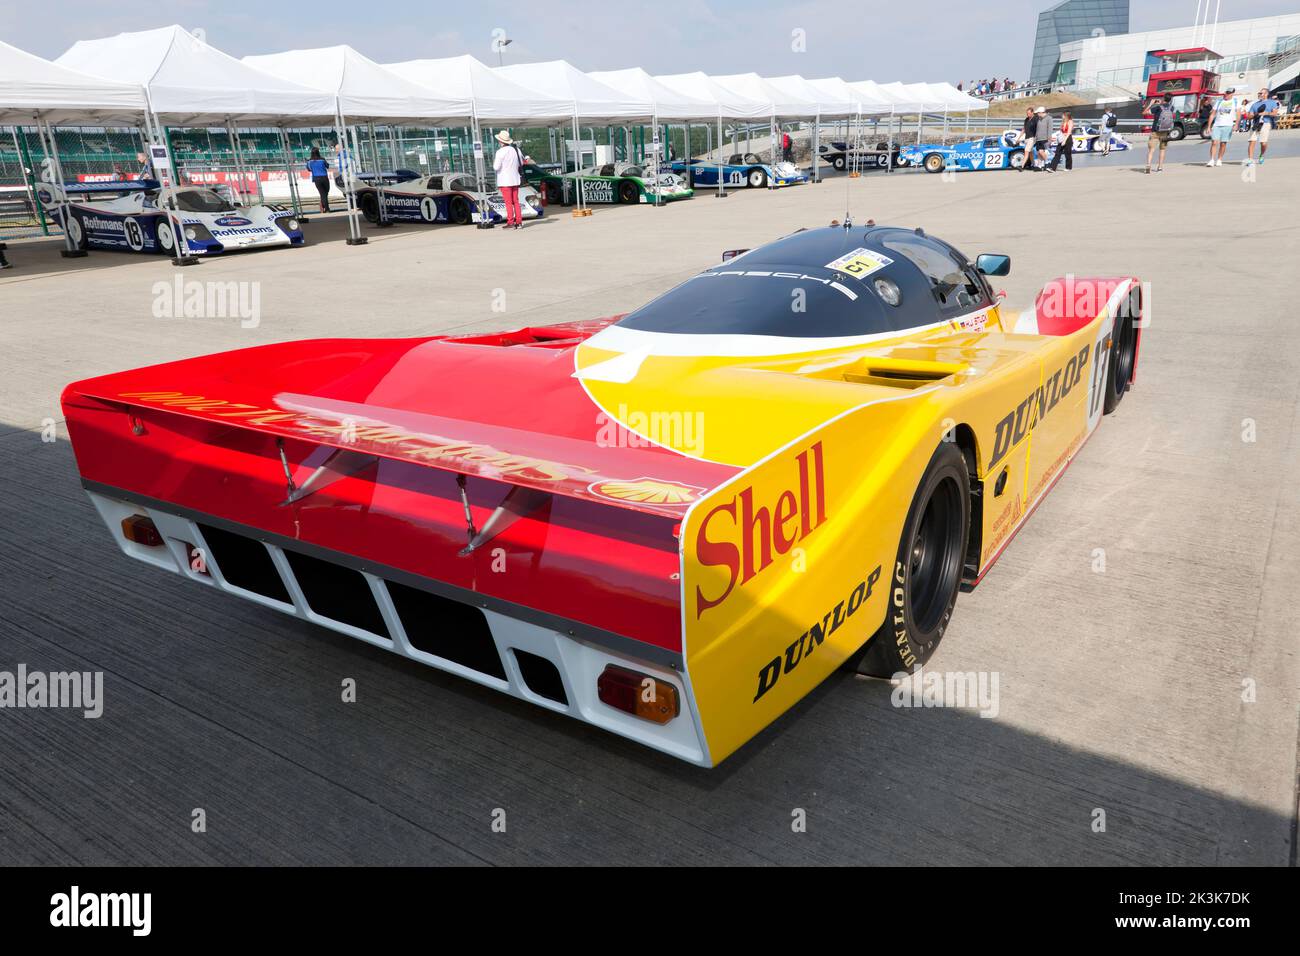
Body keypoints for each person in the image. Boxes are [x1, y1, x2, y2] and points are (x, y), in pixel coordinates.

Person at [491, 129, 527, 230]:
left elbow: (496, 167)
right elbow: (522, 163)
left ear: (501, 141)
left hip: (504, 180)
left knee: (508, 202)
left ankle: (510, 222)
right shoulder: (516, 150)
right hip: (515, 179)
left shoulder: (500, 152)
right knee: (516, 201)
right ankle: (519, 222)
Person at [1245, 87, 1280, 166]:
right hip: (1255, 124)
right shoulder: (1254, 104)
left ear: (1266, 94)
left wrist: (1265, 113)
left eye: (1261, 93)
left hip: (1266, 123)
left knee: (1263, 143)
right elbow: (1249, 116)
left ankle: (1261, 155)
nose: (1259, 94)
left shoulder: (1272, 102)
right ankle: (1250, 160)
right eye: (1259, 93)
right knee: (1252, 141)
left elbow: (1274, 113)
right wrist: (1255, 115)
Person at [1206, 89, 1237, 166]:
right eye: (1225, 93)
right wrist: (1209, 126)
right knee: (1214, 142)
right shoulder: (1219, 101)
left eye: (1228, 93)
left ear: (1232, 94)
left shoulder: (1235, 102)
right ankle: (1212, 160)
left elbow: (1238, 114)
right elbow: (1212, 114)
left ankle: (1219, 159)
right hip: (1217, 125)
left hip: (1228, 125)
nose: (1226, 94)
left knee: (1223, 143)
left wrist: (1236, 124)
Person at [1145, 93, 1174, 173]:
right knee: (1162, 150)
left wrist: (1151, 104)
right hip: (1165, 131)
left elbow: (1144, 112)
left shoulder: (1158, 108)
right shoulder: (1172, 108)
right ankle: (1160, 168)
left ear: (1163, 98)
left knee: (1151, 150)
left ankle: (1148, 167)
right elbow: (1167, 106)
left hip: (1155, 132)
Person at [305, 147, 331, 213]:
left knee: (323, 194)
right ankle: (326, 208)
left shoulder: (309, 161)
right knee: (326, 193)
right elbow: (327, 166)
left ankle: (324, 207)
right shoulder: (322, 159)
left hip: (316, 179)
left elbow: (309, 169)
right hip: (324, 177)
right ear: (318, 152)